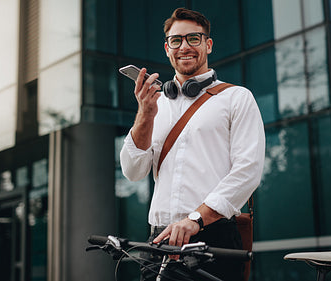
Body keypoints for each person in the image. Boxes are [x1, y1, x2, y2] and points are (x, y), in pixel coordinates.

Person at [120, 7, 265, 281]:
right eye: (176, 40)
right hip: (158, 241)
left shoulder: (237, 97)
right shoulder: (154, 104)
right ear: (167, 48)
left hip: (213, 238)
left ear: (208, 44)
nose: (184, 47)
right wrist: (144, 115)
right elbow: (133, 171)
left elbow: (248, 170)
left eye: (193, 39)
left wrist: (195, 219)